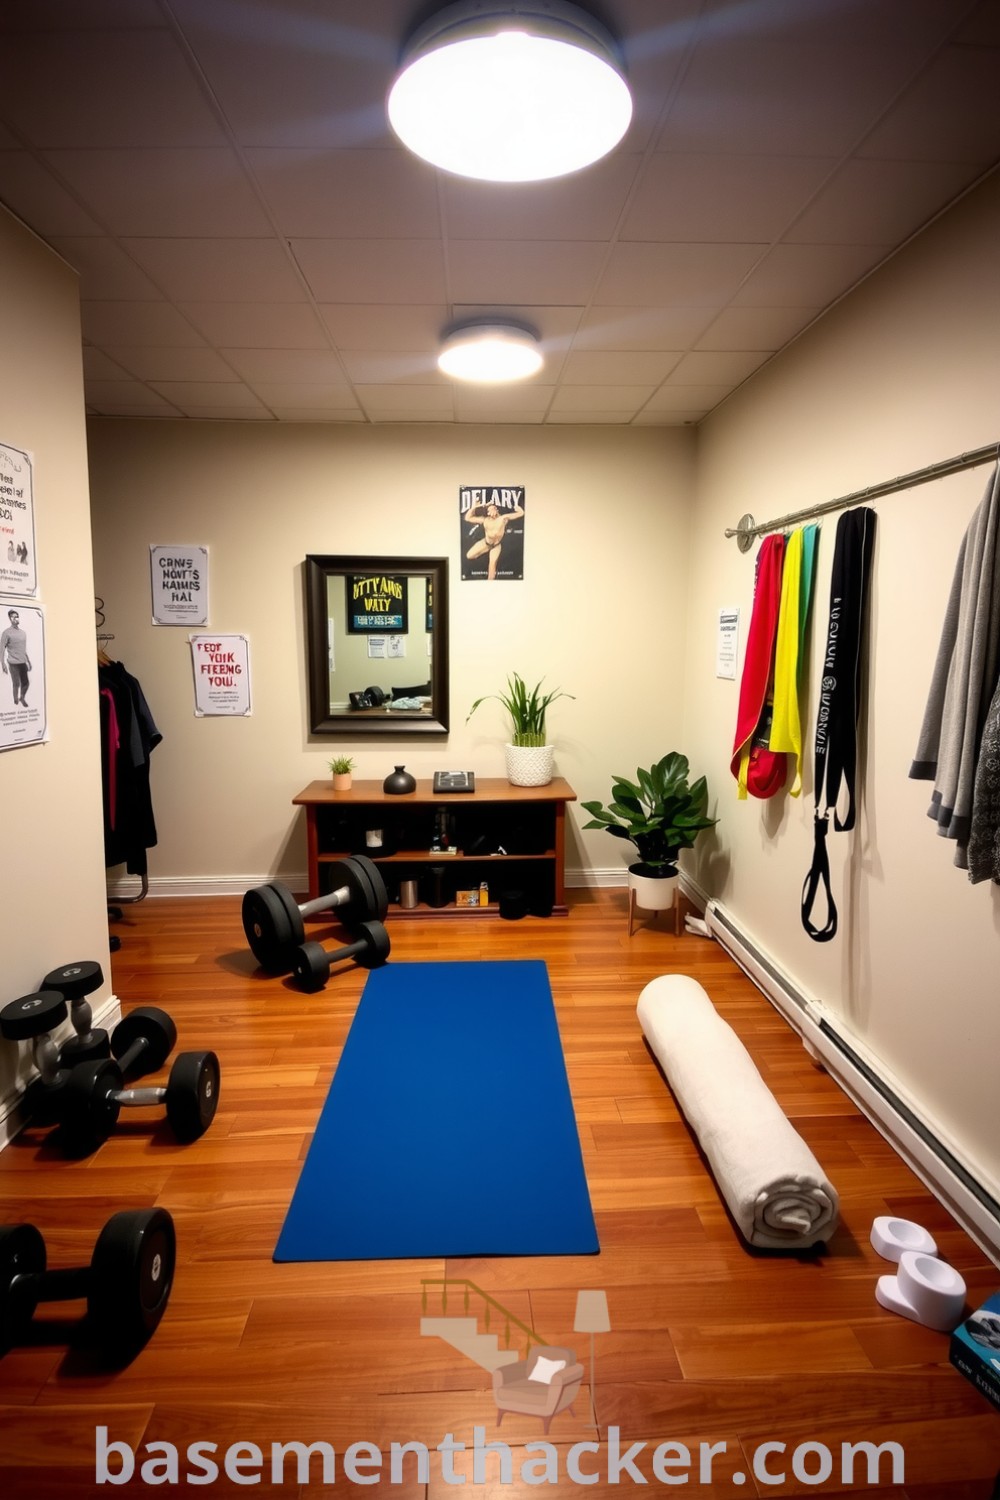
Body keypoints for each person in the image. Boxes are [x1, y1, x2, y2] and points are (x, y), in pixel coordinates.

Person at [464, 500, 524, 580]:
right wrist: (473, 507)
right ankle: (483, 553)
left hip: (496, 546)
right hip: (486, 543)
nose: (493, 510)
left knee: (492, 567)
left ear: (497, 510)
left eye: (494, 508)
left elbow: (521, 513)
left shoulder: (503, 518)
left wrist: (518, 508)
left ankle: (490, 587)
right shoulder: (485, 520)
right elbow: (467, 518)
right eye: (490, 509)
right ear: (488, 513)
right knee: (469, 556)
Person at [1, 608, 31, 706]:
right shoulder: (6, 633)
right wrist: (3, 664)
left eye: (16, 616)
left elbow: (22, 648)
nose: (15, 618)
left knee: (26, 683)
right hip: (13, 663)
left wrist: (28, 661)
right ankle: (15, 700)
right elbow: (2, 649)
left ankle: (22, 697)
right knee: (16, 684)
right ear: (10, 619)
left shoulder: (23, 633)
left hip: (22, 662)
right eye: (13, 617)